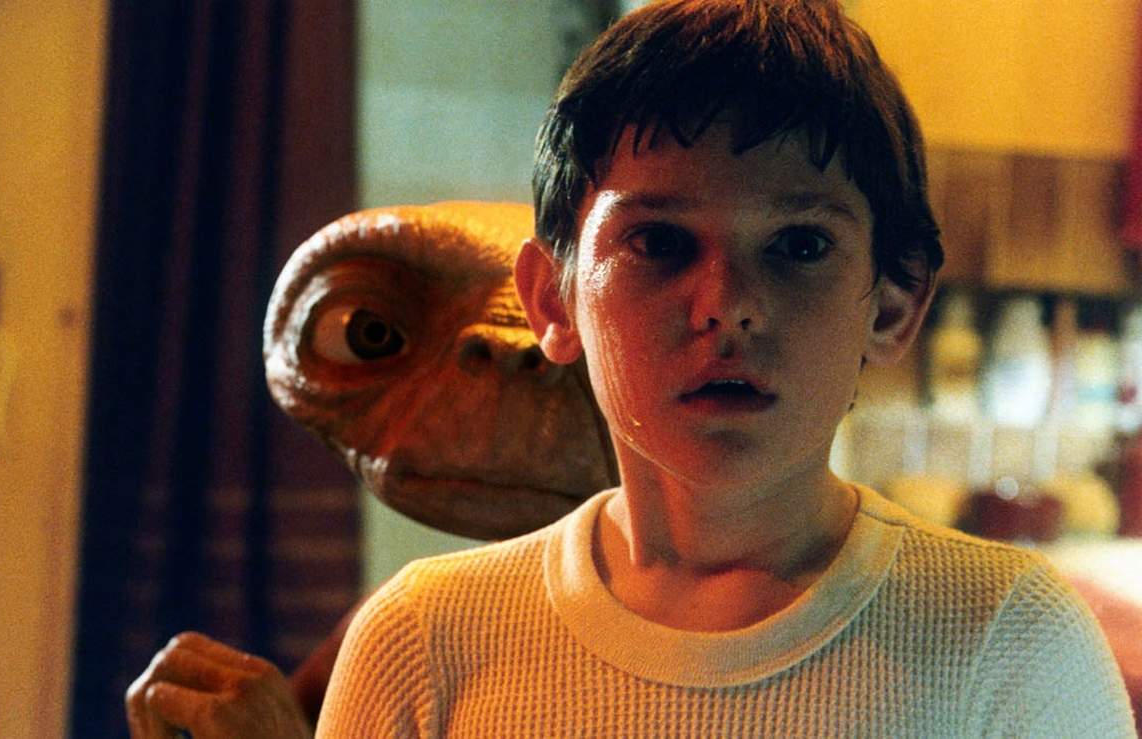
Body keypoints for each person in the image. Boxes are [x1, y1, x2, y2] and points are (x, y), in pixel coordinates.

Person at [314, 0, 1137, 736]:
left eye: (800, 245)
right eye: (659, 241)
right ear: (553, 301)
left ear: (891, 306)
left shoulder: (1012, 642)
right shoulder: (423, 640)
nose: (727, 305)